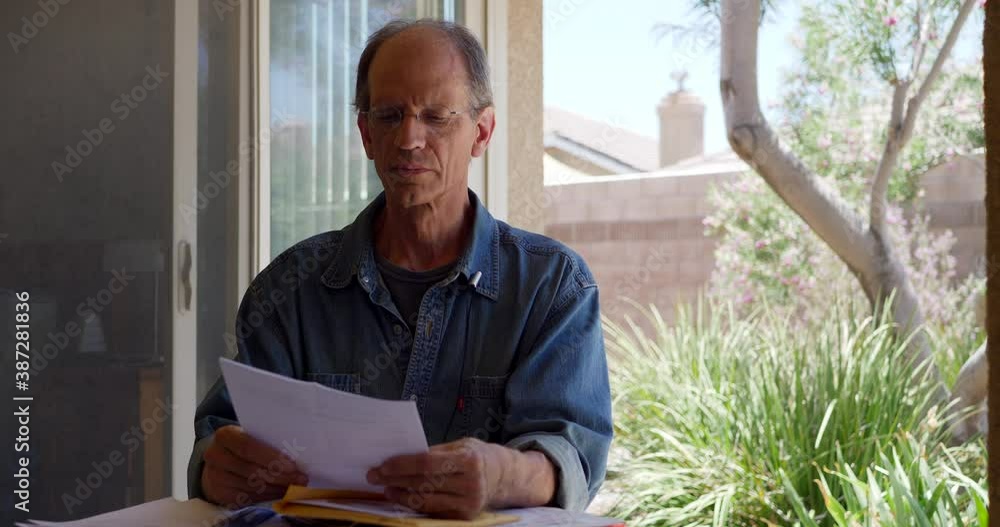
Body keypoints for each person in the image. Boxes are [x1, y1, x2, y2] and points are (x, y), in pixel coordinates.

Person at [187, 19, 612, 519]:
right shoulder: (290, 287)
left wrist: (501, 475)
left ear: (482, 131)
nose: (409, 138)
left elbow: (571, 456)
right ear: (366, 134)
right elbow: (220, 441)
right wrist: (217, 467)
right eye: (389, 115)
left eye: (435, 116)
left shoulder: (552, 286)